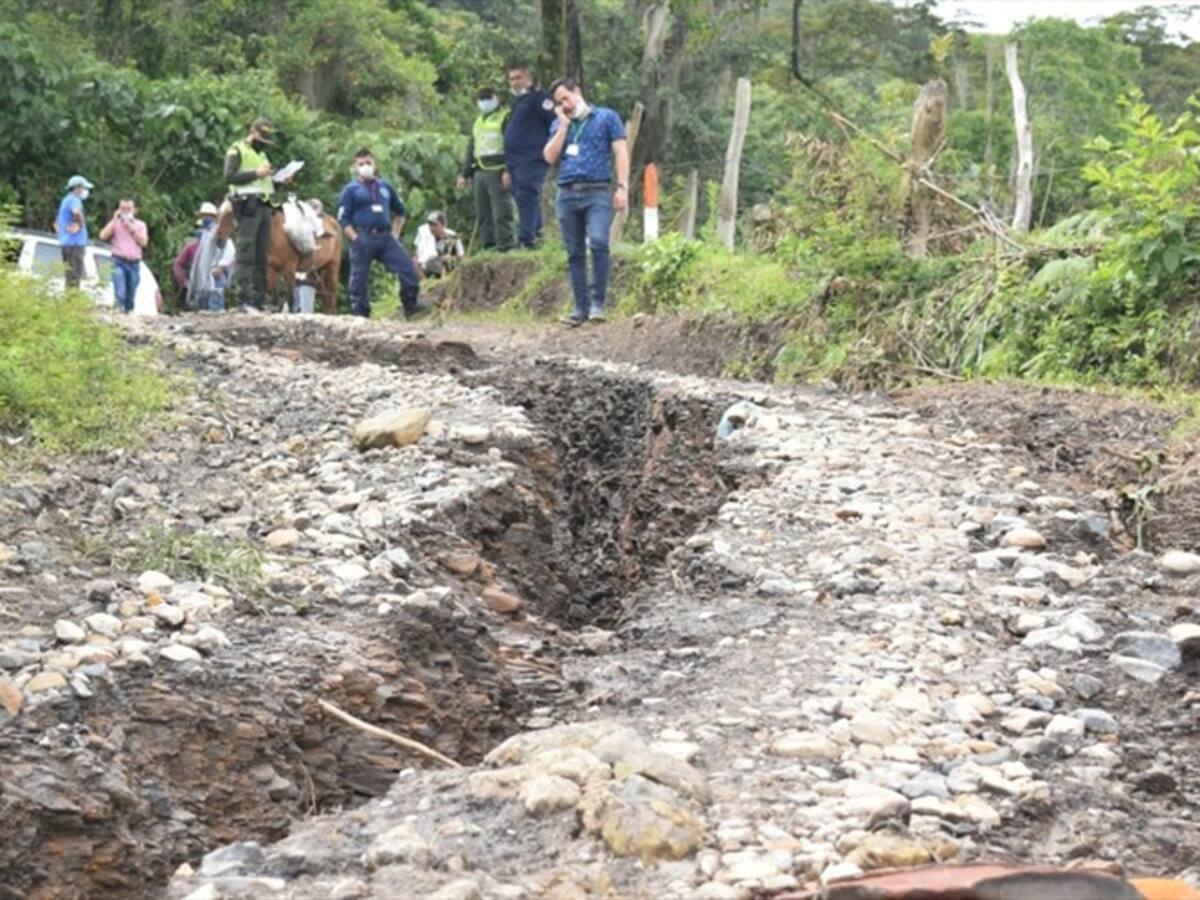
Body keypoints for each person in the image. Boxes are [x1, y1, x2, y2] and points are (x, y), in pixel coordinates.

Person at [543, 77, 630, 326]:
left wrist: (623, 186)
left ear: (577, 92)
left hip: (598, 192)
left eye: (566, 98)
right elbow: (549, 156)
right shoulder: (561, 124)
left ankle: (597, 304)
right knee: (574, 252)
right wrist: (562, 125)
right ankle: (580, 308)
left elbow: (621, 151)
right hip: (567, 193)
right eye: (559, 102)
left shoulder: (606, 117)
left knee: (599, 241)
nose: (565, 105)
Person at [336, 148, 424, 319]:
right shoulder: (350, 189)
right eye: (361, 164)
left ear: (374, 164)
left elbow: (400, 212)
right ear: (355, 167)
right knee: (359, 279)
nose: (365, 166)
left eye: (368, 163)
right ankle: (361, 315)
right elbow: (343, 219)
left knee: (407, 269)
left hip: (385, 237)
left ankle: (410, 306)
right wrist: (355, 238)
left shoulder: (385, 186)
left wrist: (395, 233)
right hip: (363, 236)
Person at [224, 117, 289, 309]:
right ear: (252, 132)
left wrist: (280, 181)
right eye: (262, 139)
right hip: (246, 207)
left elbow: (264, 184)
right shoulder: (236, 149)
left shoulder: (262, 156)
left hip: (264, 206)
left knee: (262, 256)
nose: (264, 144)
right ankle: (242, 299)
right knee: (246, 253)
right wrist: (256, 174)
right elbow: (229, 176)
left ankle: (259, 300)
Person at [504, 63, 556, 248]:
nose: (514, 82)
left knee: (527, 196)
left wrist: (549, 148)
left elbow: (555, 121)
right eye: (511, 79)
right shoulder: (518, 103)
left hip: (531, 159)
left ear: (529, 79)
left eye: (518, 78)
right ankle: (536, 237)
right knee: (522, 198)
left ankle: (526, 240)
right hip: (515, 162)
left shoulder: (539, 99)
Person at [457, 87, 515, 252]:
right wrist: (464, 174)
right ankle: (488, 246)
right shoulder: (478, 121)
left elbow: (511, 145)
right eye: (481, 98)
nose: (485, 101)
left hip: (498, 170)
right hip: (480, 171)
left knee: (502, 211)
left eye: (488, 98)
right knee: (483, 213)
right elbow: (471, 148)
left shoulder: (505, 117)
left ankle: (506, 245)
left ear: (497, 98)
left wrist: (508, 169)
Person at [97, 198, 149, 314]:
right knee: (120, 292)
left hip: (134, 263)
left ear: (134, 210)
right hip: (118, 261)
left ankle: (128, 314)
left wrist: (132, 229)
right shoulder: (115, 224)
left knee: (130, 295)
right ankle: (118, 314)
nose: (125, 211)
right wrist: (114, 220)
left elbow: (144, 242)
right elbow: (102, 236)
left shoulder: (140, 225)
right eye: (123, 209)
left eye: (128, 209)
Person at [185, 202, 235, 313]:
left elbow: (230, 249)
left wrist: (221, 266)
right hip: (204, 280)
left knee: (215, 305)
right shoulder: (204, 235)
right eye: (203, 216)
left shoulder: (218, 231)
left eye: (207, 215)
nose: (205, 218)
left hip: (215, 275)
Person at [54, 175, 93, 289]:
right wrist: (79, 225)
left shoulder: (65, 200)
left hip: (67, 243)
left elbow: (56, 223)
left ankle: (70, 301)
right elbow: (77, 212)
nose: (86, 191)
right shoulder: (74, 200)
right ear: (77, 188)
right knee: (74, 277)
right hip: (75, 243)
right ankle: (72, 302)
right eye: (84, 188)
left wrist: (62, 233)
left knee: (70, 276)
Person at [414, 211, 464, 279]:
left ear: (442, 225)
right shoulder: (424, 234)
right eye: (430, 224)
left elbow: (460, 257)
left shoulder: (451, 236)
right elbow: (418, 256)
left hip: (447, 268)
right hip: (427, 269)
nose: (432, 227)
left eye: (435, 225)